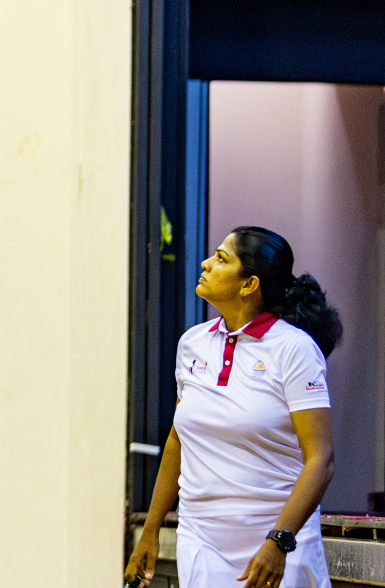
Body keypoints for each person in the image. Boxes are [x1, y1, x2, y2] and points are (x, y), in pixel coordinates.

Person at [125, 227, 341, 588]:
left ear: (248, 284)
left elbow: (321, 460)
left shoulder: (294, 349)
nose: (206, 264)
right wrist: (150, 530)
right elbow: (179, 440)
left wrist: (279, 541)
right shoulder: (192, 343)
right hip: (202, 539)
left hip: (277, 542)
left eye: (222, 258)